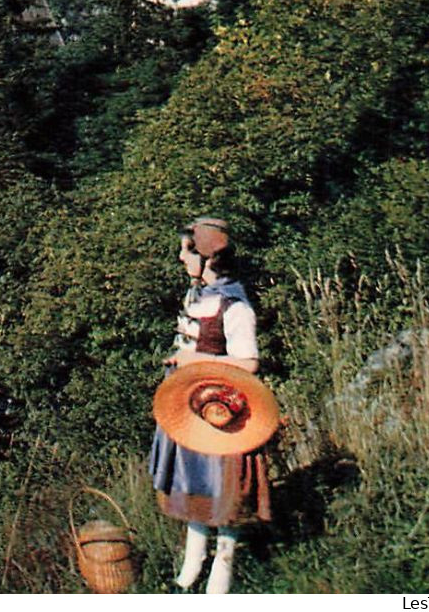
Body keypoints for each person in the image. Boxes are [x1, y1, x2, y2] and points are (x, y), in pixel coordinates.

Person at [147, 216, 271, 594]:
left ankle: (222, 571)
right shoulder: (198, 295)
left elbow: (249, 363)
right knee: (193, 481)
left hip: (223, 413)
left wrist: (194, 363)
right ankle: (191, 568)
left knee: (223, 486)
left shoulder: (235, 307)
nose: (182, 261)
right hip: (189, 407)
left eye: (188, 254)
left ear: (209, 259)